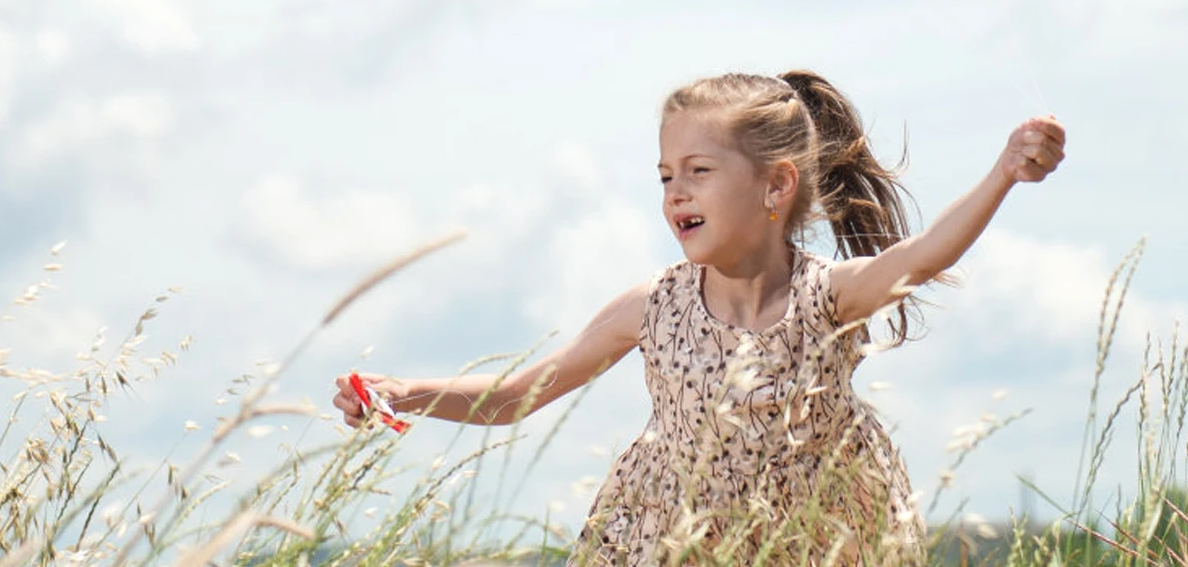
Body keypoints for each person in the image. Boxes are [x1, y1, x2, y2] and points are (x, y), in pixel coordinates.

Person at [333, 70, 1066, 565]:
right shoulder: (651, 308)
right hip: (678, 543)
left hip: (814, 544)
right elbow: (518, 397)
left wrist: (1004, 171)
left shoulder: (825, 297)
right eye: (665, 176)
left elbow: (923, 255)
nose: (675, 192)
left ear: (776, 186)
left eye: (699, 171)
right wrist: (406, 392)